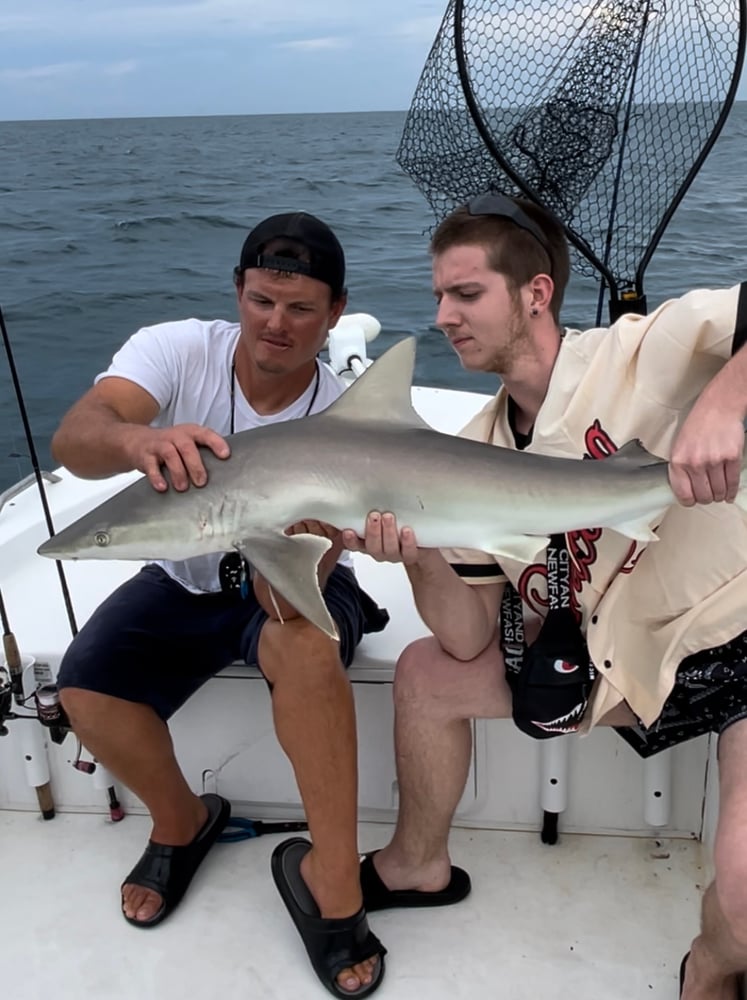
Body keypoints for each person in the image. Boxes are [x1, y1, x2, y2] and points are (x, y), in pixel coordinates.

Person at [342, 192, 747, 1000]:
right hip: (613, 665)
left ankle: (707, 964)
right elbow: (464, 638)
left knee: (740, 898)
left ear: (534, 293)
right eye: (436, 298)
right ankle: (417, 861)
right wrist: (415, 555)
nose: (443, 317)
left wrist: (726, 397)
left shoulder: (647, 350)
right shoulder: (466, 456)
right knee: (427, 675)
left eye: (464, 294)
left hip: (734, 641)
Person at [52, 211, 389, 998]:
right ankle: (182, 821)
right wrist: (137, 445)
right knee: (85, 688)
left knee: (302, 644)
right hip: (185, 569)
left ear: (335, 313)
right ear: (238, 292)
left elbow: (297, 580)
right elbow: (77, 437)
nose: (277, 323)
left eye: (301, 309)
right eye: (263, 300)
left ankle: (333, 879)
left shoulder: (337, 412)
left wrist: (307, 542)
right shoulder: (177, 349)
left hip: (291, 568)